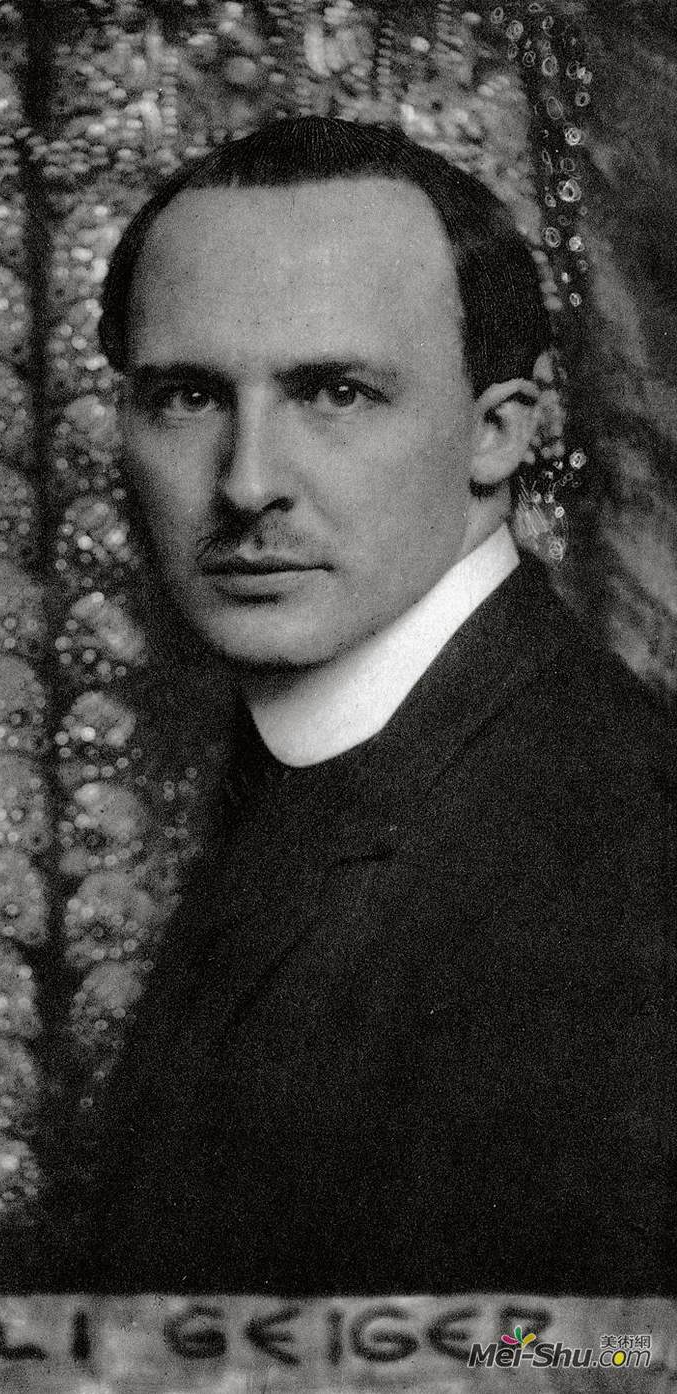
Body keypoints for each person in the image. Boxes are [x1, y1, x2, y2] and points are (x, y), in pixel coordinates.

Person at [50, 115, 677, 1299]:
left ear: (498, 431)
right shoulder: (343, 757)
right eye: (188, 395)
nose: (247, 482)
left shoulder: (599, 837)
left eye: (334, 391)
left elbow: (588, 1359)